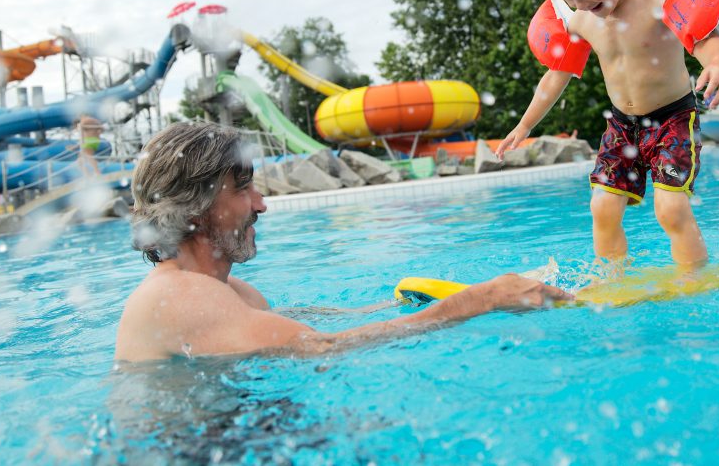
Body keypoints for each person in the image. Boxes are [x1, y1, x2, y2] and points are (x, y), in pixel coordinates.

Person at [115, 122, 571, 362]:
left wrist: (400, 303)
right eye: (243, 189)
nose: (261, 205)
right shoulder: (181, 296)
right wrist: (483, 299)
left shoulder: (231, 293)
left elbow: (305, 323)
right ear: (195, 206)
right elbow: (322, 347)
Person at [496, 0, 719, 267]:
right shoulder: (582, 18)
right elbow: (556, 75)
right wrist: (524, 125)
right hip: (622, 126)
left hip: (672, 119)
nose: (580, 4)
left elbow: (703, 36)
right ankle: (610, 280)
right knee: (602, 208)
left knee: (671, 210)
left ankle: (694, 280)